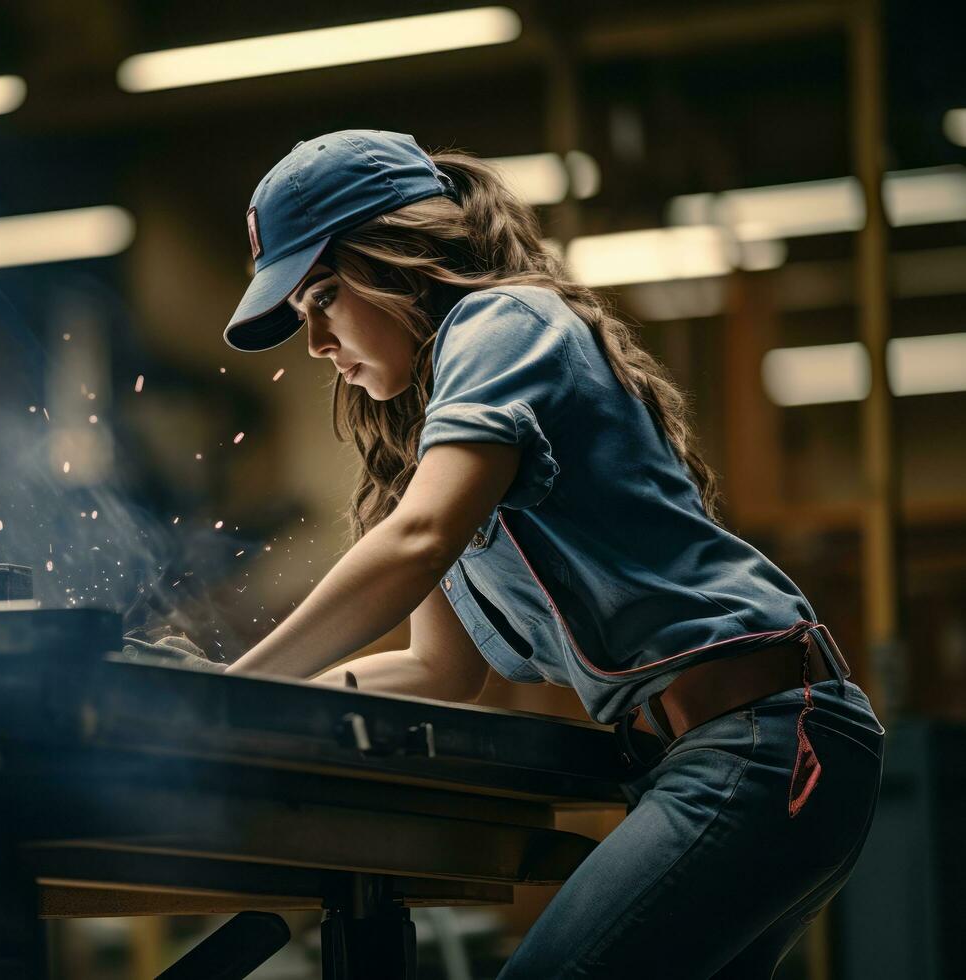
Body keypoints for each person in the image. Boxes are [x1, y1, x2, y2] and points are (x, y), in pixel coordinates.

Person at [221, 130, 884, 978]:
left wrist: (233, 695)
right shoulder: (435, 435)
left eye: (321, 297)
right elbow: (436, 670)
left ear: (397, 256)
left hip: (767, 738)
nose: (312, 342)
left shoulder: (506, 321)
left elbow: (416, 544)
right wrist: (262, 711)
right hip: (718, 749)